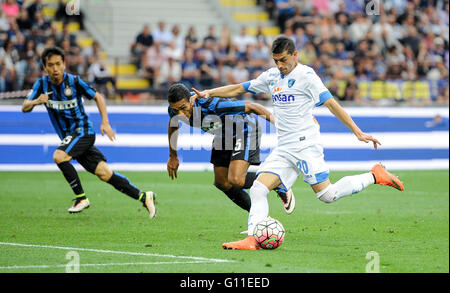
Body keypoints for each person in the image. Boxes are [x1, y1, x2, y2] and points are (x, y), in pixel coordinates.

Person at [191, 36, 405, 250]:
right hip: (284, 147)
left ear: (295, 55)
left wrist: (358, 132)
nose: (280, 65)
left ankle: (375, 175)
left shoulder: (307, 76)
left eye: (283, 60)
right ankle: (253, 239)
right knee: (257, 189)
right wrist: (210, 92)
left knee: (327, 195)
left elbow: (332, 104)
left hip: (305, 146)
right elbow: (240, 87)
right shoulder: (272, 76)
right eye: (276, 60)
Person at [21, 47, 156, 217]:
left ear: (64, 64)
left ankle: (81, 198)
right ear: (45, 67)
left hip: (83, 131)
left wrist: (105, 123)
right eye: (50, 65)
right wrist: (36, 101)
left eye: (58, 64)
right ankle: (144, 196)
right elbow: (25, 107)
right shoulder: (41, 84)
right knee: (105, 173)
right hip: (71, 138)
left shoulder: (75, 82)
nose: (55, 69)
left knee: (58, 156)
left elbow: (98, 96)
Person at [167, 83, 295, 225]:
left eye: (183, 108)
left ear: (190, 101)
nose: (181, 114)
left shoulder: (213, 105)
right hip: (223, 135)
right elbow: (173, 124)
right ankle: (258, 219)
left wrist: (282, 126)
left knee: (236, 180)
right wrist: (173, 156)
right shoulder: (175, 110)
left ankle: (277, 181)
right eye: (176, 110)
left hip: (245, 129)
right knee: (222, 182)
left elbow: (252, 107)